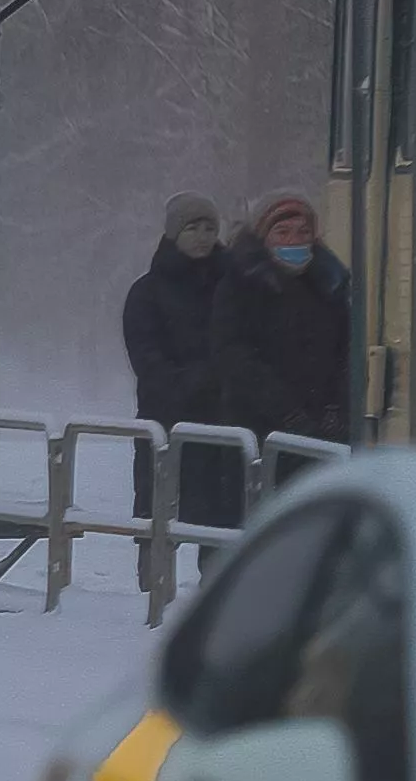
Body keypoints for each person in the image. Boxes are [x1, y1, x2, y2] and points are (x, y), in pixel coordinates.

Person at [123, 193, 235, 541]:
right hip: (169, 421)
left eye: (209, 227)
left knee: (225, 527)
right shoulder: (147, 293)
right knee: (160, 523)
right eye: (192, 228)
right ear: (173, 233)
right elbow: (147, 360)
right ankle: (152, 587)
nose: (202, 236)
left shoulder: (233, 287)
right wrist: (197, 382)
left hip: (226, 425)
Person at [212, 189, 352, 452]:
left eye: (303, 232)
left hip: (325, 434)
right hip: (260, 434)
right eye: (283, 232)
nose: (294, 241)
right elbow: (235, 356)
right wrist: (286, 412)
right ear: (264, 238)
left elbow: (347, 350)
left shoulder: (330, 283)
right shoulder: (239, 285)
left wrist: (336, 407)